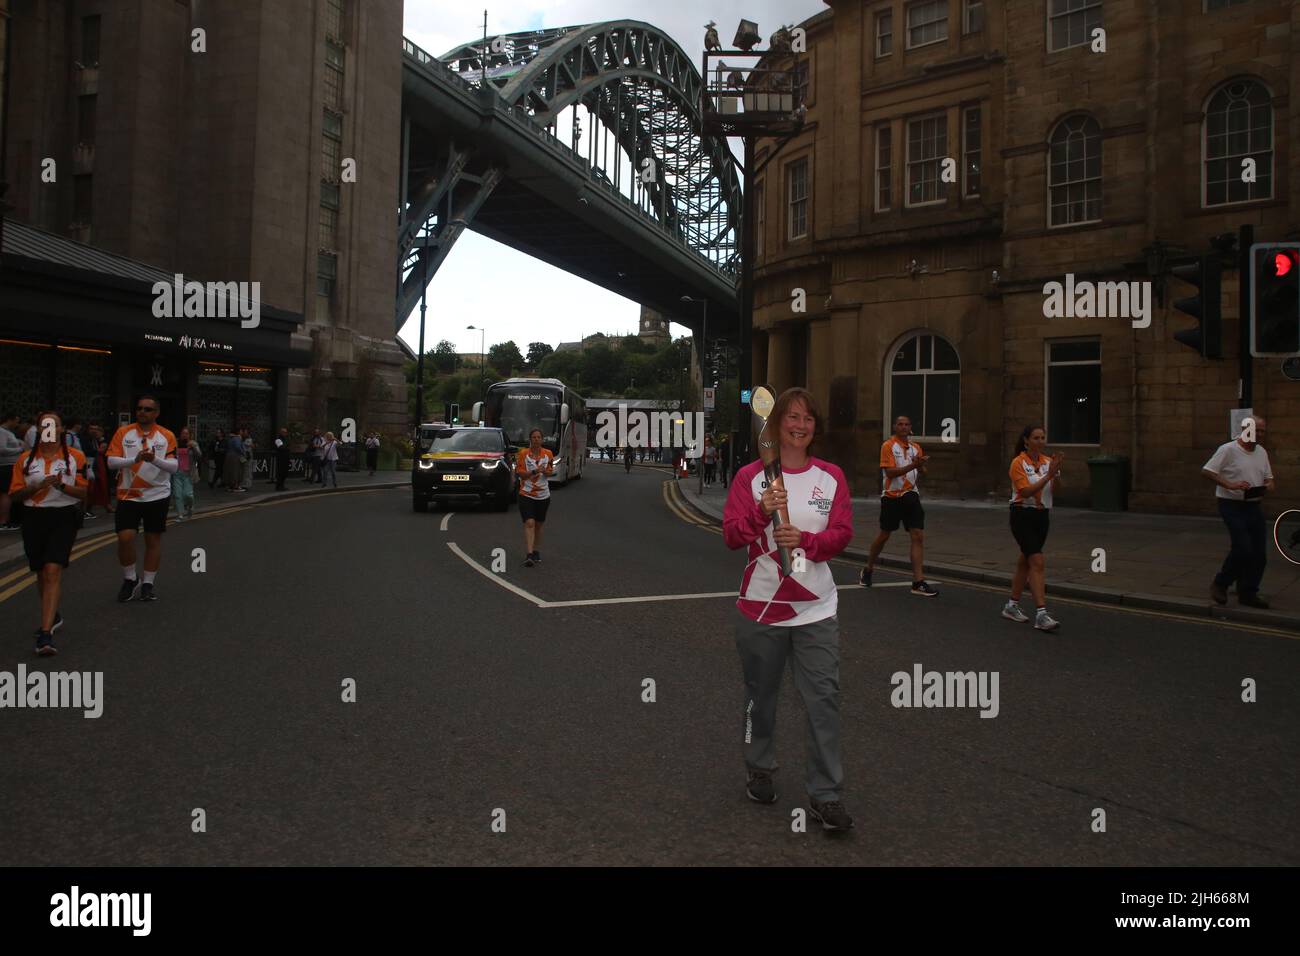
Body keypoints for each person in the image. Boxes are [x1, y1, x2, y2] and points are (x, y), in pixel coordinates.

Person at [722, 387, 855, 832]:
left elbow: (842, 533)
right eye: (792, 418)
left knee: (824, 701)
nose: (800, 426)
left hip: (816, 607)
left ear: (815, 428)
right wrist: (761, 513)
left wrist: (807, 543)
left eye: (808, 419)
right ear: (776, 425)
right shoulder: (751, 478)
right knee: (762, 698)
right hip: (761, 608)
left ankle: (825, 794)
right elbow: (732, 536)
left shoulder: (831, 477)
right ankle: (759, 765)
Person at [8, 411, 88, 655]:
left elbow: (84, 493)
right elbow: (15, 495)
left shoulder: (75, 457)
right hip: (33, 517)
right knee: (41, 573)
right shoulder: (25, 459)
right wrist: (36, 487)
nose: (49, 430)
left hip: (63, 517)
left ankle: (45, 635)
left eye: (53, 425)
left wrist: (61, 485)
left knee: (53, 570)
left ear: (61, 429)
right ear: (39, 430)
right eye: (44, 426)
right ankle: (52, 615)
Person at [106, 395, 178, 602]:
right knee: (125, 537)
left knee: (152, 540)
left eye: (147, 409)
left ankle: (148, 583)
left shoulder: (166, 436)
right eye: (139, 408)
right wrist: (134, 459)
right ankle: (130, 579)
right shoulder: (123, 433)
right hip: (129, 494)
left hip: (157, 494)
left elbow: (174, 467)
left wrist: (153, 459)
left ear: (156, 413)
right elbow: (111, 461)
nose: (142, 412)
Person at [860, 416, 938, 596]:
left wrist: (921, 465)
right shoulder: (888, 446)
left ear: (910, 428)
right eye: (900, 424)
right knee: (884, 535)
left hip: (911, 495)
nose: (903, 427)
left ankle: (918, 582)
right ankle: (868, 568)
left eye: (907, 424)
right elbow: (890, 472)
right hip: (891, 497)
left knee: (917, 535)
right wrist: (914, 465)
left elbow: (922, 471)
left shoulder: (916, 447)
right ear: (895, 427)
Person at [1203, 415, 1274, 609]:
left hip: (1253, 504)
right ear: (1244, 429)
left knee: (1259, 553)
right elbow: (1208, 471)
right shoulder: (1228, 450)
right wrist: (1231, 484)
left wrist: (1268, 486)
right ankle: (1221, 583)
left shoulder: (1261, 452)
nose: (1258, 434)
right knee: (1243, 547)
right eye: (1254, 430)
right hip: (1231, 504)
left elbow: (1269, 478)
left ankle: (1248, 592)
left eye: (1262, 430)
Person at [1003, 424, 1063, 631]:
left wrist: (1055, 474)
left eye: (1043, 437)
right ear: (1026, 440)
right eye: (1036, 438)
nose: (1040, 441)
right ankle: (1041, 614)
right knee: (1037, 561)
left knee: (1025, 561)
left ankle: (1011, 605)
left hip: (1042, 515)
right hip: (1022, 514)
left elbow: (1056, 490)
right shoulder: (1017, 463)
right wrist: (1048, 476)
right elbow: (1026, 491)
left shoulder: (1048, 462)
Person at [515, 427, 555, 567]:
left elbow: (550, 472)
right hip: (526, 493)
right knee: (529, 523)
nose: (536, 440)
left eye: (539, 437)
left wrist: (545, 471)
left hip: (543, 495)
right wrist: (534, 471)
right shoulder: (523, 454)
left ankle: (536, 550)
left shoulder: (548, 454)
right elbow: (520, 473)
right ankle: (529, 554)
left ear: (542, 440)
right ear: (530, 440)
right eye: (534, 437)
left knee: (538, 525)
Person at [0, 411, 24, 531]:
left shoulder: (7, 432)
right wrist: (20, 449)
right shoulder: (2, 432)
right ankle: (3, 522)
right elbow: (2, 449)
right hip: (6, 466)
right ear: (10, 419)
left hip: (10, 466)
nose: (17, 423)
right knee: (6, 494)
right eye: (16, 421)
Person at [171, 426, 201, 520]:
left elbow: (199, 456)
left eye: (186, 433)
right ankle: (180, 514)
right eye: (183, 433)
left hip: (188, 473)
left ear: (190, 435)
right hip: (177, 473)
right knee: (178, 495)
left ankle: (190, 507)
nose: (184, 435)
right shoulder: (176, 443)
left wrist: (194, 447)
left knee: (188, 494)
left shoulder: (193, 444)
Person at [79, 421, 100, 520]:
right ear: (87, 429)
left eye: (96, 429)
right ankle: (84, 511)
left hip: (93, 465)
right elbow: (85, 451)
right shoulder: (84, 439)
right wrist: (97, 451)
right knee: (87, 489)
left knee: (91, 490)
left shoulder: (95, 439)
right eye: (92, 429)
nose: (94, 431)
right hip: (86, 465)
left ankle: (87, 509)